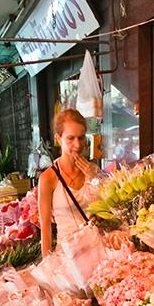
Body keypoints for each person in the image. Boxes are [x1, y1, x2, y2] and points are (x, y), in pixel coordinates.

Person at [38, 109, 100, 256]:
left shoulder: (93, 170)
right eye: (70, 138)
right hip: (67, 258)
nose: (78, 145)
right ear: (58, 139)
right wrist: (48, 266)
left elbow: (106, 213)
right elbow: (45, 228)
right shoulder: (48, 178)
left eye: (81, 138)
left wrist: (94, 178)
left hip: (97, 254)